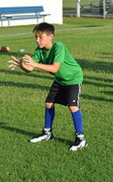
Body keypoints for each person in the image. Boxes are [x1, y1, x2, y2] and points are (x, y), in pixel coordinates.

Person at [8, 23, 87, 151]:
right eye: (36, 37)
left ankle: (81, 138)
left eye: (40, 37)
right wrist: (21, 65)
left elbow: (55, 68)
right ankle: (47, 133)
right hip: (60, 79)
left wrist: (35, 64)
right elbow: (30, 68)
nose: (37, 40)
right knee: (49, 103)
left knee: (73, 106)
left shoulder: (58, 47)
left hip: (73, 78)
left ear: (51, 36)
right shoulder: (39, 50)